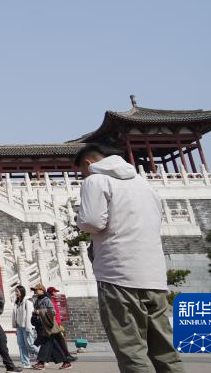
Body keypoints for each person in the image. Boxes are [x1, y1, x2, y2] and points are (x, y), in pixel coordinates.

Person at [75, 143, 184, 373]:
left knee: (132, 351)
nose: (84, 176)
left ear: (88, 163)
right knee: (165, 351)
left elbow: (92, 222)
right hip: (154, 277)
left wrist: (79, 219)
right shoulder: (144, 184)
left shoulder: (95, 180)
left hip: (118, 275)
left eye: (82, 172)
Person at [31, 283, 68, 370]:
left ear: (42, 290)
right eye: (34, 290)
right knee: (53, 346)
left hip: (49, 326)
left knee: (46, 343)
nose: (35, 291)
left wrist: (40, 312)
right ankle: (66, 362)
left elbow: (52, 312)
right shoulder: (37, 300)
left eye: (37, 290)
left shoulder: (46, 299)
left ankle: (41, 363)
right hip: (43, 326)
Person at [45, 288, 75, 363]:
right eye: (55, 292)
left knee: (57, 342)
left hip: (57, 324)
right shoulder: (50, 301)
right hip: (54, 325)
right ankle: (66, 357)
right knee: (58, 341)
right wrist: (56, 324)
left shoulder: (54, 301)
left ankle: (65, 356)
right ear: (51, 293)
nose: (57, 294)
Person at [12, 285, 38, 369]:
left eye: (17, 291)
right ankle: (26, 363)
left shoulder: (27, 301)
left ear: (22, 291)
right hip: (19, 327)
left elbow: (29, 315)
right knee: (21, 345)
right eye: (15, 291)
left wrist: (28, 327)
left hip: (26, 326)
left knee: (30, 345)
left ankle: (43, 356)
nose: (16, 293)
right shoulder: (17, 302)